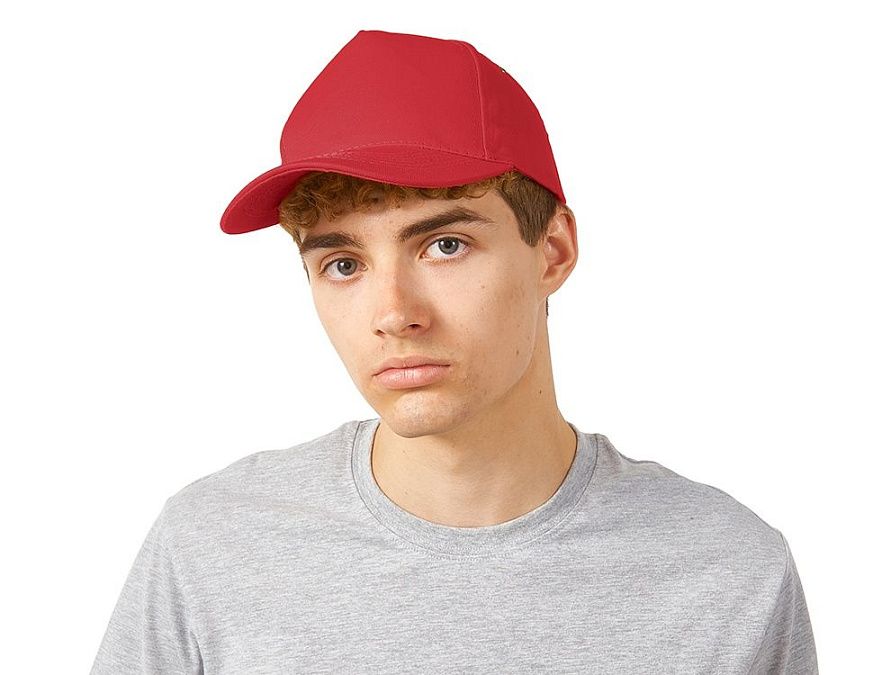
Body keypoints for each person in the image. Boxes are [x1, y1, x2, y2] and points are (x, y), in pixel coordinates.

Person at [90, 29, 818, 673]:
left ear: (553, 250)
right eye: (342, 263)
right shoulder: (212, 549)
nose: (393, 314)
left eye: (445, 245)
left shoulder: (729, 573)